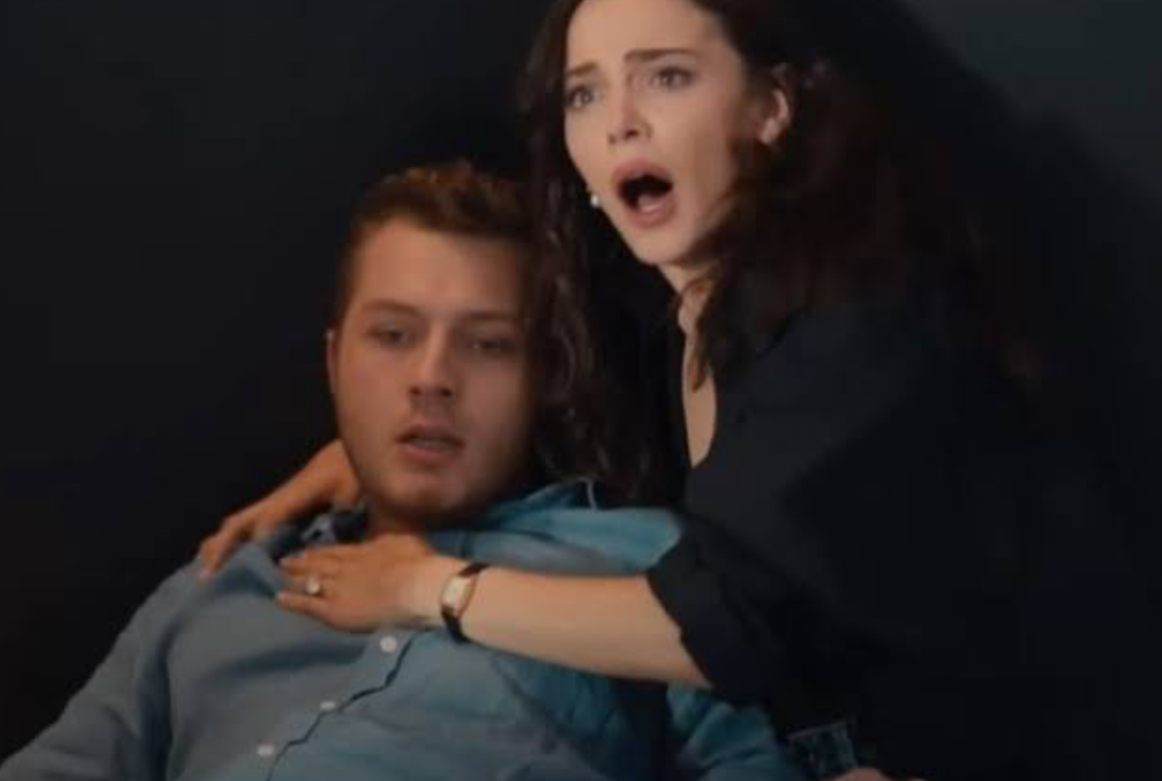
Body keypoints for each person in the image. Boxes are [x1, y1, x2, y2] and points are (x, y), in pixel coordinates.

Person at [202, 1, 1162, 779]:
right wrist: (364, 451)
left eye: (665, 76)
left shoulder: (863, 315)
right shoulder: (668, 312)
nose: (619, 120)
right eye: (585, 93)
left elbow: (723, 624)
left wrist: (430, 590)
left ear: (772, 109)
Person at [0, 161, 806, 781]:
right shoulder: (218, 583)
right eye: (393, 335)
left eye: (487, 344)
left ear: (542, 378)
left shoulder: (642, 565)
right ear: (334, 363)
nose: (432, 377)